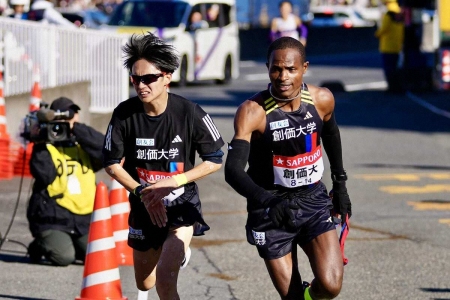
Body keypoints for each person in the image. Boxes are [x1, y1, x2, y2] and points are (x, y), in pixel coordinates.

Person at [224, 37, 352, 300]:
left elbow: (331, 134)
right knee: (291, 297)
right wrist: (268, 201)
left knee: (330, 286)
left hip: (312, 200)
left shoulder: (322, 99)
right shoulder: (252, 112)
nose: (283, 76)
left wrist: (340, 185)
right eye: (276, 69)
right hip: (269, 208)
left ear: (304, 67)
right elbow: (233, 170)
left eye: (291, 69)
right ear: (268, 68)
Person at [102, 32, 224, 299]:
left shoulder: (190, 112)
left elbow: (215, 159)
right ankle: (175, 254)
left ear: (167, 77)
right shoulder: (124, 114)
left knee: (165, 283)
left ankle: (177, 249)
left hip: (182, 206)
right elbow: (111, 163)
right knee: (145, 283)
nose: (141, 85)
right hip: (144, 204)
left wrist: (173, 182)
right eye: (136, 79)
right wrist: (143, 193)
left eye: (149, 78)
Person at [27, 97, 105, 266]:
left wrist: (75, 128)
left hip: (82, 219)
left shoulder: (82, 143)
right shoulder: (46, 144)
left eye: (70, 117)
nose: (64, 123)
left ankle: (67, 244)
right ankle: (39, 245)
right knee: (64, 258)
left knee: (96, 257)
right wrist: (40, 141)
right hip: (53, 217)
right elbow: (45, 175)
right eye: (60, 120)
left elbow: (107, 150)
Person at [374, 0, 404, 93]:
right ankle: (396, 86)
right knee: (395, 68)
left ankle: (391, 87)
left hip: (387, 46)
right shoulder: (400, 14)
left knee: (388, 68)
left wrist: (377, 34)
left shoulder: (388, 15)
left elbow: (384, 28)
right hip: (397, 45)